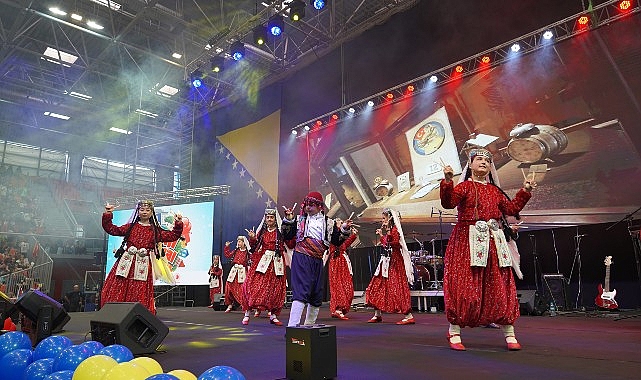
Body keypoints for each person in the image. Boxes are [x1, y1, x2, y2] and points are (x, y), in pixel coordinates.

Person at [440, 148, 536, 351]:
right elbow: (448, 203)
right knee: (464, 285)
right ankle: (454, 331)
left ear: (491, 167)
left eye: (487, 160)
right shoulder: (464, 187)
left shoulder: (495, 191)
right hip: (467, 240)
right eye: (479, 159)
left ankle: (509, 332)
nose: (483, 162)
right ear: (471, 164)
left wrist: (525, 190)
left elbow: (511, 210)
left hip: (493, 241)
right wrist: (448, 181)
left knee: (499, 284)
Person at [282, 191, 353, 327]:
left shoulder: (328, 223)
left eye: (312, 205)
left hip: (317, 260)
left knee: (316, 293)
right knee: (301, 291)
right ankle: (293, 326)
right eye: (307, 205)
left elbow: (337, 241)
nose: (308, 207)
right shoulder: (299, 220)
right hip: (301, 258)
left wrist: (344, 228)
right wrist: (289, 219)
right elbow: (287, 235)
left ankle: (309, 326)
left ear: (320, 206)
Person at [101, 200, 183, 314]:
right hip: (126, 262)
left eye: (148, 210)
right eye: (142, 210)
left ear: (151, 212)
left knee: (139, 288)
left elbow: (173, 235)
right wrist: (108, 214)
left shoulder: (155, 230)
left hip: (143, 263)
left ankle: (138, 314)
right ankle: (115, 313)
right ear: (138, 212)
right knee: (120, 285)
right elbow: (111, 229)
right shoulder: (130, 227)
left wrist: (178, 222)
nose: (144, 212)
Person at [365, 208, 415, 325]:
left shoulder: (395, 230)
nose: (382, 221)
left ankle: (408, 315)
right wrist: (383, 235)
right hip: (386, 261)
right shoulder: (389, 230)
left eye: (384, 218)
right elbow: (387, 245)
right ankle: (377, 314)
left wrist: (386, 235)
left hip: (395, 262)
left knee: (397, 286)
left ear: (390, 218)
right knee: (377, 284)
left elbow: (396, 243)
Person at [241, 209, 287, 326]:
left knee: (275, 290)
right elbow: (255, 246)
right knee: (253, 285)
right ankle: (247, 313)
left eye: (272, 217)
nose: (270, 219)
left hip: (276, 262)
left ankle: (273, 315)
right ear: (265, 219)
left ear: (275, 219)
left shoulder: (280, 232)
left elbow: (289, 243)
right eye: (268, 217)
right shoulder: (262, 232)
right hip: (263, 261)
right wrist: (252, 238)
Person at [328, 221, 358, 320]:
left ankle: (340, 309)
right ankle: (338, 309)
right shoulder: (333, 236)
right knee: (338, 286)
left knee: (347, 287)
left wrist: (354, 235)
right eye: (340, 222)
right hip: (336, 262)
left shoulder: (341, 238)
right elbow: (338, 239)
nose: (342, 224)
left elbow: (345, 243)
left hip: (343, 263)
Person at [223, 236, 251, 313]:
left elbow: (252, 259)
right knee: (229, 286)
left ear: (244, 243)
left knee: (242, 288)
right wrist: (227, 247)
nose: (238, 243)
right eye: (238, 241)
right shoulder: (236, 251)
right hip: (234, 270)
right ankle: (229, 304)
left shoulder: (247, 252)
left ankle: (244, 304)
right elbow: (228, 255)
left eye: (240, 241)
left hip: (242, 271)